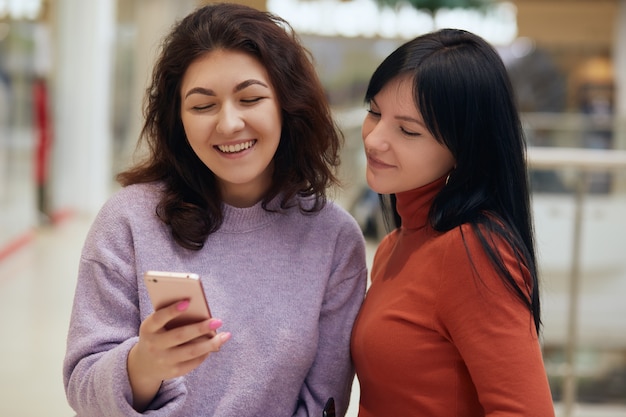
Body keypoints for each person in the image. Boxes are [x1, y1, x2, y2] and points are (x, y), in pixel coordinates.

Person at [63, 4, 367, 416]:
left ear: (287, 104)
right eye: (203, 106)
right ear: (178, 118)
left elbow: (324, 402)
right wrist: (143, 365)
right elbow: (83, 388)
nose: (228, 124)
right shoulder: (128, 221)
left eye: (251, 98)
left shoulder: (334, 238)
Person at [350, 29, 555, 416]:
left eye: (407, 130)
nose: (375, 139)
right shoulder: (397, 244)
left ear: (464, 149)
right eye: (374, 112)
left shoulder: (472, 249)